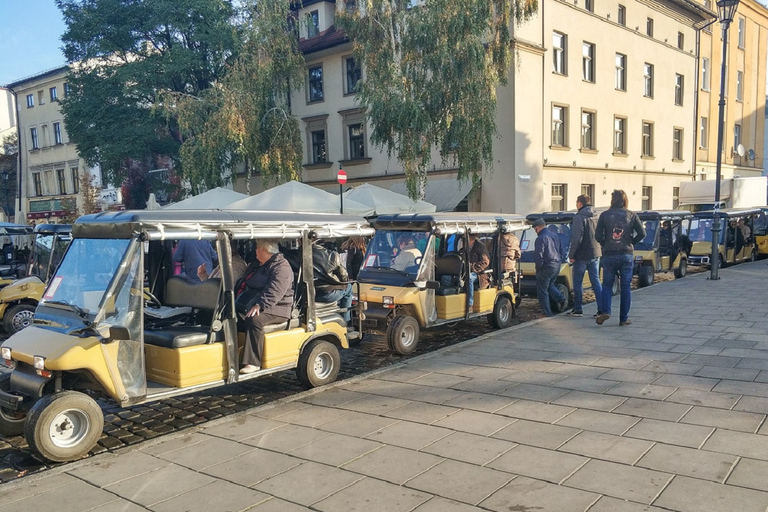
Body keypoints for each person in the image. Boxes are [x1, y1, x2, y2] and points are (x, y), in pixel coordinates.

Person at [235, 239, 294, 374]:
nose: (254, 250)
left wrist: (260, 305)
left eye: (257, 247)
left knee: (254, 319)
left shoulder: (281, 266)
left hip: (278, 307)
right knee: (229, 316)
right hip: (251, 302)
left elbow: (275, 290)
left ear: (264, 250)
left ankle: (253, 362)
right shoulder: (256, 265)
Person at [595, 190, 645, 326]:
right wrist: (631, 242)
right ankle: (624, 318)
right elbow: (642, 233)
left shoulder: (605, 215)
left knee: (606, 284)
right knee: (625, 287)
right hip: (626, 254)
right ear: (625, 200)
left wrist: (605, 243)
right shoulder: (631, 215)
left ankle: (605, 310)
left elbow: (597, 235)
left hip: (609, 253)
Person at [567, 194, 603, 318]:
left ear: (580, 204)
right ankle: (602, 309)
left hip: (582, 254)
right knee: (596, 281)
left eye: (576, 203)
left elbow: (576, 238)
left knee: (578, 282)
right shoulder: (597, 215)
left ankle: (578, 309)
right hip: (596, 253)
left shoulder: (579, 217)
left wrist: (572, 254)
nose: (576, 205)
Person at [312, 239, 354, 323]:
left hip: (305, 294)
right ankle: (346, 322)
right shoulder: (332, 255)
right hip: (326, 294)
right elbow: (344, 276)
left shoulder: (297, 254)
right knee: (348, 287)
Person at [533, 218, 567, 317]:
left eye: (535, 229)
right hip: (556, 265)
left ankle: (547, 313)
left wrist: (538, 267)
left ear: (538, 228)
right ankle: (562, 299)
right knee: (550, 285)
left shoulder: (540, 238)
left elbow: (539, 254)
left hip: (546, 266)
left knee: (542, 290)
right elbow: (561, 250)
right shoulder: (555, 235)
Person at [467, 234, 490, 306]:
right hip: (465, 271)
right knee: (447, 278)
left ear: (472, 240)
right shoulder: (466, 248)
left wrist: (473, 268)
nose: (463, 242)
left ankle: (470, 303)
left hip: (480, 274)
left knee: (469, 278)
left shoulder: (481, 247)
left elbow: (485, 262)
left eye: (466, 240)